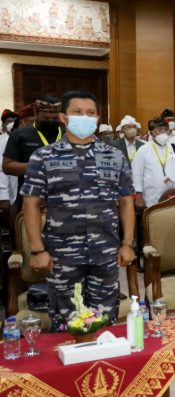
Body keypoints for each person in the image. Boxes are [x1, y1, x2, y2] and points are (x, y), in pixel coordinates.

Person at [21, 90, 135, 331]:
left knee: (105, 321)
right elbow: (30, 204)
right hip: (62, 255)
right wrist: (37, 249)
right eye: (78, 112)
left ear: (98, 118)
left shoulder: (114, 156)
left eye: (91, 113)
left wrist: (127, 243)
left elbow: (126, 201)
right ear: (64, 117)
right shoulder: (44, 157)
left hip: (105, 252)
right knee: (66, 324)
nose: (85, 117)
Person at [3, 96, 62, 187]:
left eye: (55, 119)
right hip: (30, 193)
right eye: (46, 118)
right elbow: (7, 167)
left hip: (65, 193)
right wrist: (38, 166)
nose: (51, 120)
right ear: (36, 113)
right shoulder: (20, 134)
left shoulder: (70, 135)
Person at [132, 117, 175, 207]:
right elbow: (137, 174)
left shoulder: (174, 148)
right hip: (151, 199)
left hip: (173, 196)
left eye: (165, 129)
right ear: (151, 133)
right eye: (159, 129)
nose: (163, 132)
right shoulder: (143, 150)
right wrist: (138, 196)